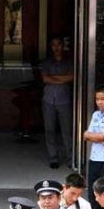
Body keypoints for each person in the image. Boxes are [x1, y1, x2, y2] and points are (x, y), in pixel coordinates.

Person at [41, 36, 74, 169]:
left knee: (67, 131)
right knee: (50, 130)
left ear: (62, 45)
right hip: (48, 100)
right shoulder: (46, 62)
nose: (56, 47)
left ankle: (71, 158)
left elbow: (72, 77)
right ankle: (53, 158)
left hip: (64, 100)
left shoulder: (69, 62)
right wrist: (63, 79)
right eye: (53, 45)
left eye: (58, 44)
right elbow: (45, 79)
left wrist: (53, 78)